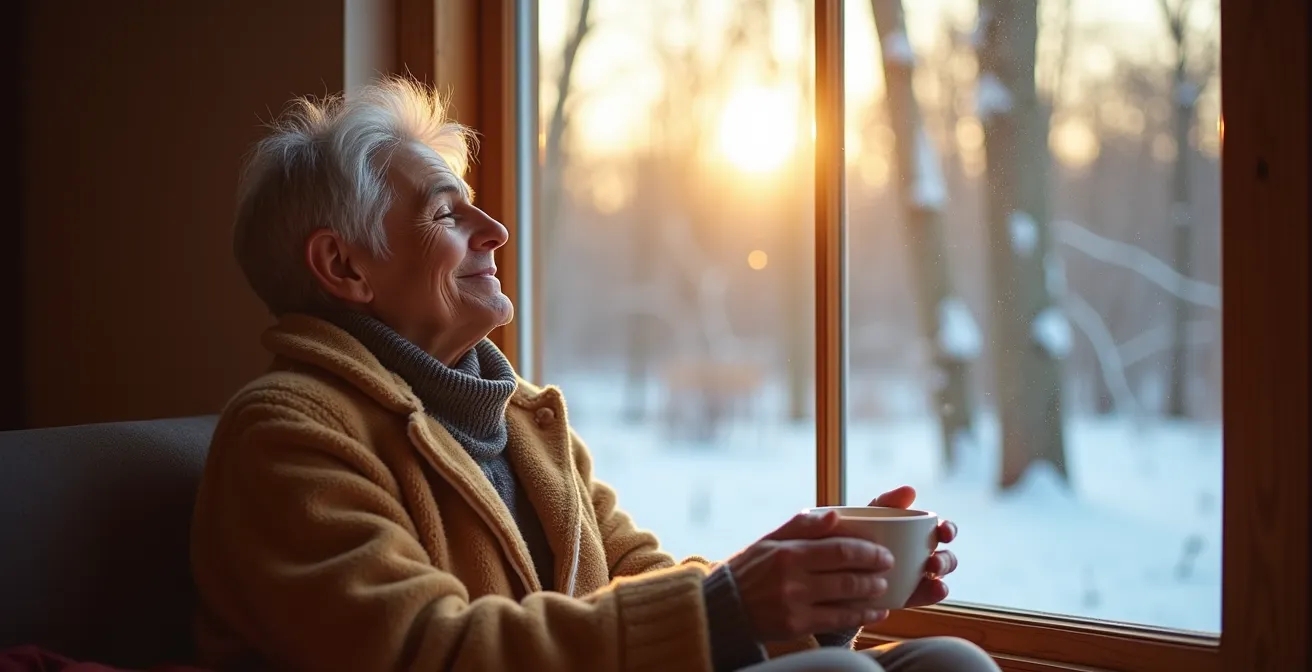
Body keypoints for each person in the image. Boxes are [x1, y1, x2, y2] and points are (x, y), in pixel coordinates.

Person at [190, 77, 1000, 672]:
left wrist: (821, 598)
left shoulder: (524, 422)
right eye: (446, 212)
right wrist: (735, 606)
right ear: (342, 265)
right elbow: (424, 650)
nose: (496, 228)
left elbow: (644, 585)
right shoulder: (288, 431)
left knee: (946, 665)